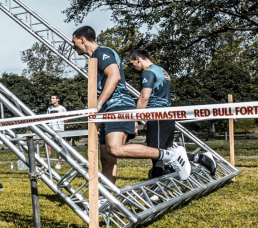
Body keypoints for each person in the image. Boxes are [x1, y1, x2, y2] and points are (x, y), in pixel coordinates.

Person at [72, 25, 200, 183]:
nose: (73, 46)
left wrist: (99, 103)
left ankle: (171, 155)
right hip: (107, 109)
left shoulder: (102, 52)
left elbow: (114, 76)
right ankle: (106, 195)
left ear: (82, 39)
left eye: (74, 42)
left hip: (118, 105)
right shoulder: (94, 58)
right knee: (107, 159)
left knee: (115, 148)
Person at [127, 49, 216, 178]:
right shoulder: (161, 70)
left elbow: (144, 97)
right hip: (167, 114)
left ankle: (199, 158)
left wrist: (136, 119)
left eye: (131, 64)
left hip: (157, 115)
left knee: (155, 152)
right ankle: (196, 159)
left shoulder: (148, 72)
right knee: (165, 151)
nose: (131, 68)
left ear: (138, 59)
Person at [46, 94, 67, 169]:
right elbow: (47, 118)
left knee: (60, 147)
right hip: (50, 129)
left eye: (53, 98)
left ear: (57, 99)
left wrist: (61, 125)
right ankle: (47, 163)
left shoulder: (62, 108)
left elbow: (66, 119)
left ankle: (59, 163)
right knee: (48, 146)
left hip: (59, 130)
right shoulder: (49, 108)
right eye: (51, 98)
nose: (51, 99)